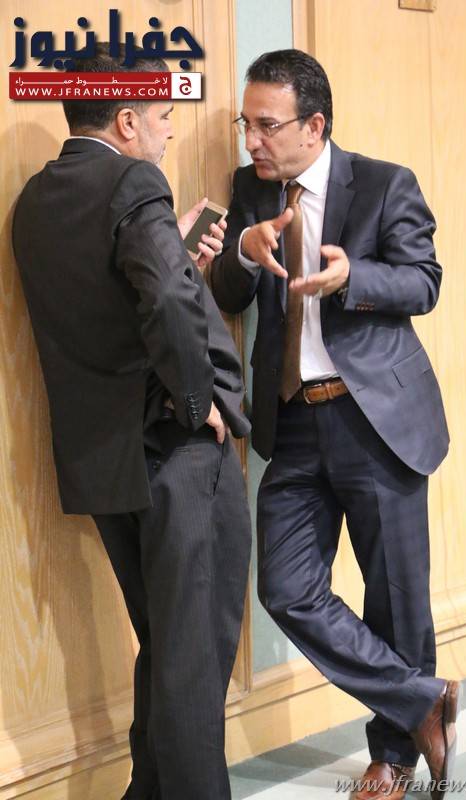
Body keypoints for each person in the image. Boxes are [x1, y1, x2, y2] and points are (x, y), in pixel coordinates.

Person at [207, 49, 460, 800]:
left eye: (266, 125)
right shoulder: (250, 191)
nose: (251, 140)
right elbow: (227, 290)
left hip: (375, 418)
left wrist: (354, 276)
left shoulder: (383, 184)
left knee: (395, 599)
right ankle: (422, 700)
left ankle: (393, 757)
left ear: (313, 125)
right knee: (286, 589)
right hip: (293, 421)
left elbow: (423, 281)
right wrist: (244, 252)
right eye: (245, 124)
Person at [12, 45, 251, 800]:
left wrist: (170, 245)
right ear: (125, 119)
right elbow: (169, 305)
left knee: (166, 644)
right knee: (193, 658)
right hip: (175, 450)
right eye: (163, 115)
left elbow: (109, 301)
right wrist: (198, 404)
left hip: (104, 461)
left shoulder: (35, 200)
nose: (169, 131)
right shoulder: (134, 181)